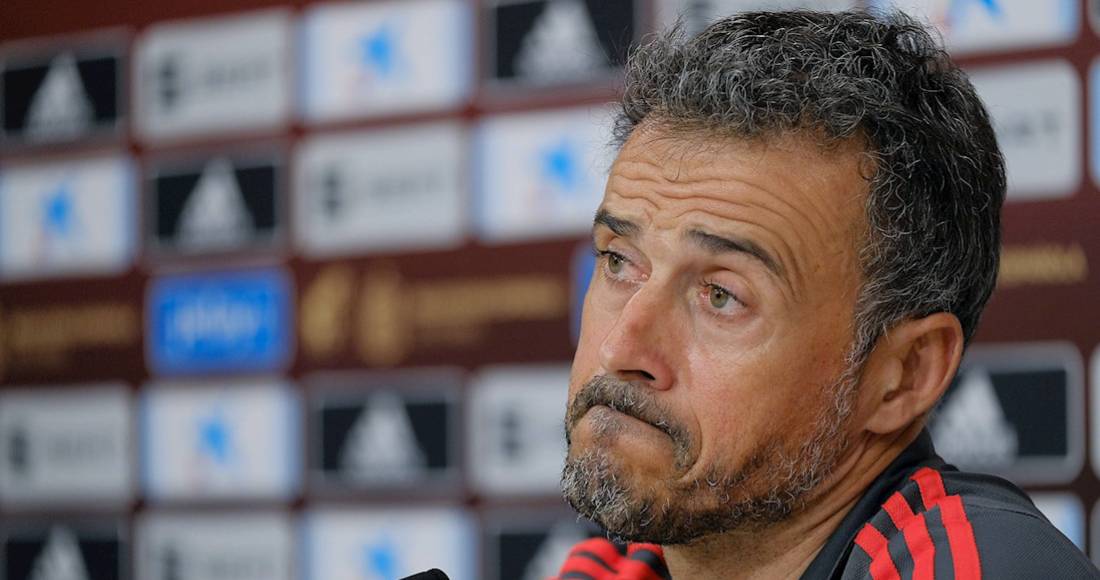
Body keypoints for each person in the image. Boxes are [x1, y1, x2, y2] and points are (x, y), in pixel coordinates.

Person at [556, 9, 1099, 580]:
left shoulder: (979, 566)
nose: (619, 349)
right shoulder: (611, 570)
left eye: (721, 295)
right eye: (618, 262)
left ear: (906, 373)